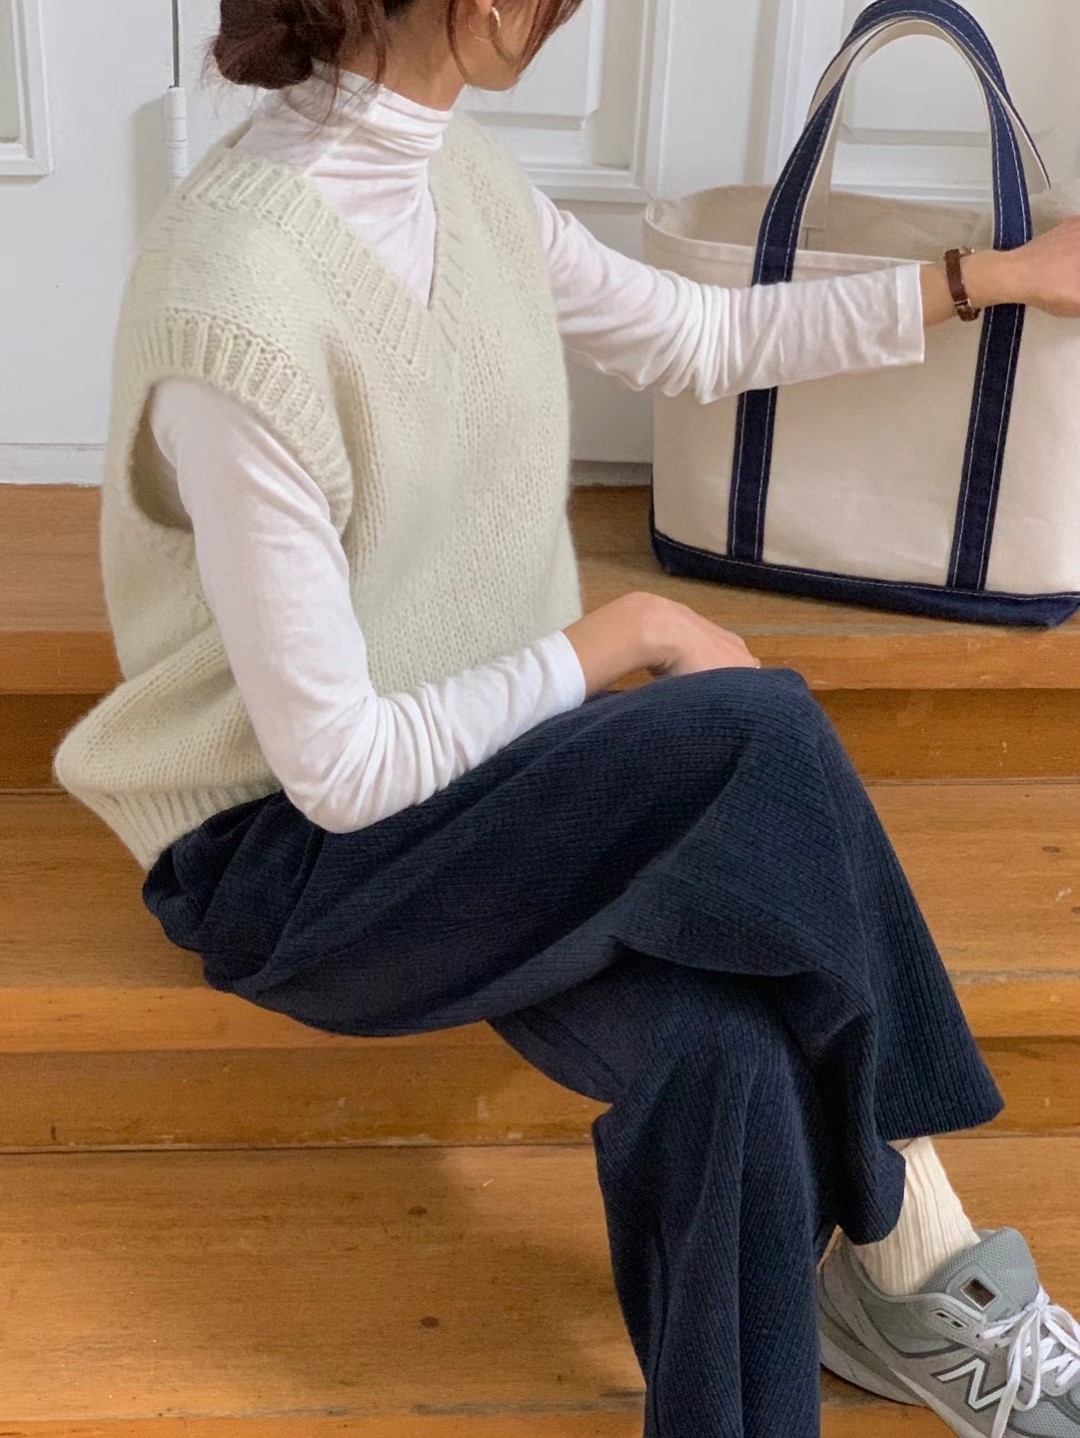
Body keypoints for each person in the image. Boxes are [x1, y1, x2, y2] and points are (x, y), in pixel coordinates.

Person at [52, 2, 1080, 1434]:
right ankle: (921, 1246)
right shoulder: (237, 308)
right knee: (761, 733)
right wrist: (629, 634)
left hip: (493, 785)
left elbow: (694, 336)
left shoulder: (458, 181)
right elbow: (342, 769)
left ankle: (841, 1327)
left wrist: (990, 279)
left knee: (727, 1056)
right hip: (297, 863)